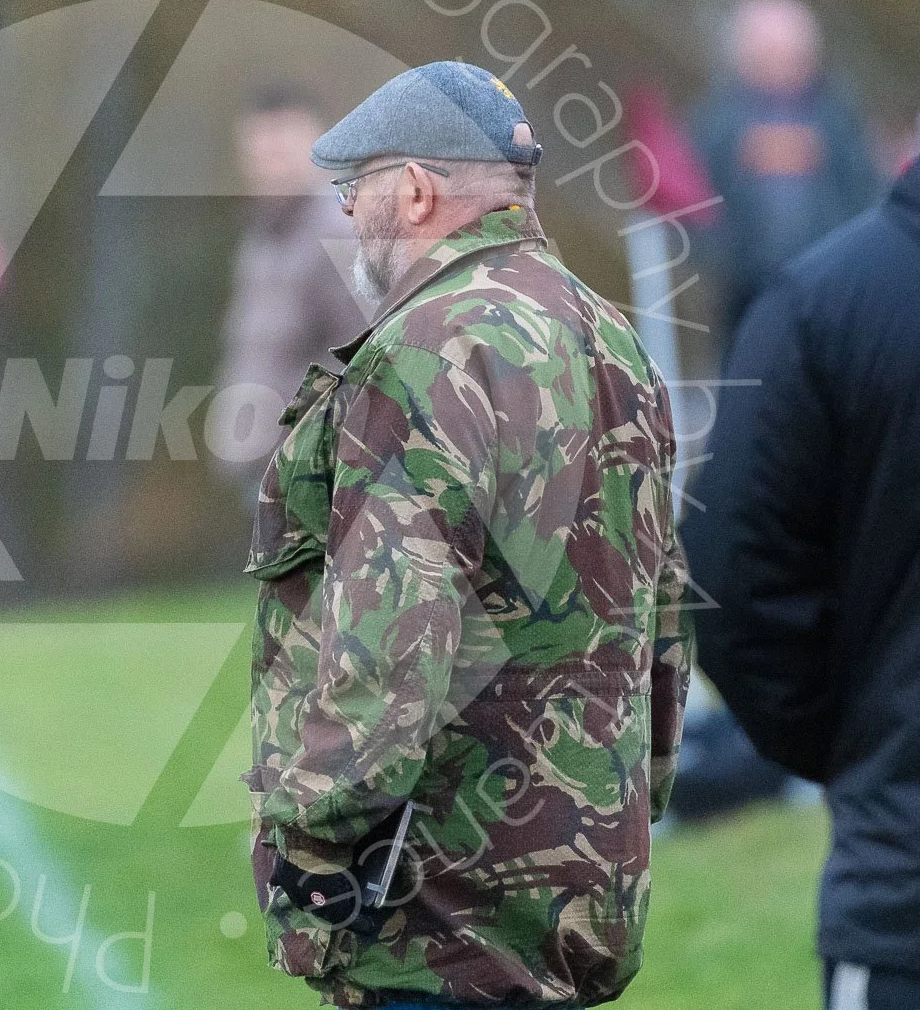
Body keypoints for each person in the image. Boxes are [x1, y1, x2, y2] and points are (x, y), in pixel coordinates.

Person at [239, 61, 693, 1009]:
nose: (349, 210)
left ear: (413, 190)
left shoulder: (421, 349)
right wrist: (627, 808)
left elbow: (388, 648)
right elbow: (664, 622)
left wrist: (309, 848)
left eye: (353, 186)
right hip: (579, 892)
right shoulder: (613, 337)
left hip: (434, 914)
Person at [681, 157, 920, 1010]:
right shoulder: (827, 303)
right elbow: (737, 576)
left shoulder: (826, 299)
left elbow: (733, 578)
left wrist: (849, 746)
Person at [214, 83, 371, 502]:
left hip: (316, 479)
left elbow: (365, 360)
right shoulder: (260, 239)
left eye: (279, 150)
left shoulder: (337, 235)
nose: (267, 166)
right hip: (268, 474)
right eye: (257, 153)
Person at [689, 0, 880, 334]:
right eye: (769, 54)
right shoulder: (718, 121)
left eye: (791, 54)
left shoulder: (838, 117)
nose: (782, 65)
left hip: (831, 284)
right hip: (745, 291)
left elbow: (863, 188)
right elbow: (696, 197)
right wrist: (721, 259)